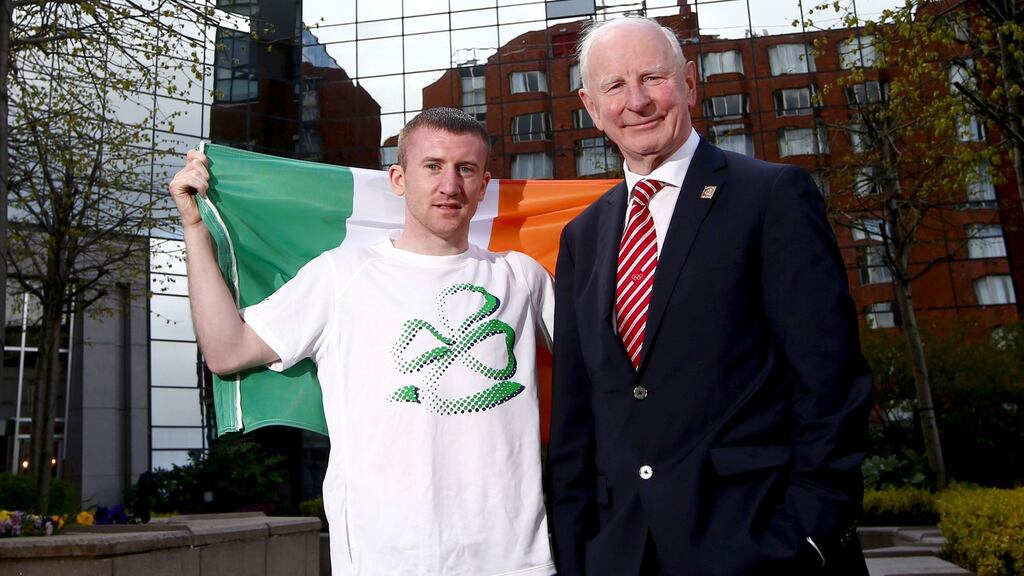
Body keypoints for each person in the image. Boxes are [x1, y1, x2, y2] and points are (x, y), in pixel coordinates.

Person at [547, 16, 874, 576]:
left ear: (691, 82)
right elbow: (578, 413)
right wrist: (577, 553)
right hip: (622, 552)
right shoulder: (581, 238)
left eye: (653, 77)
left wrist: (812, 531)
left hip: (759, 545)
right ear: (590, 106)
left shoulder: (771, 197)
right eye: (615, 86)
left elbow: (831, 380)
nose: (638, 102)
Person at [168, 107, 556, 576]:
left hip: (513, 561)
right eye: (432, 166)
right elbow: (227, 351)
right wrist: (194, 229)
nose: (449, 185)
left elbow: (606, 364)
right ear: (398, 178)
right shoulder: (341, 274)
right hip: (384, 560)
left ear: (484, 184)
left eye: (465, 169)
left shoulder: (521, 276)